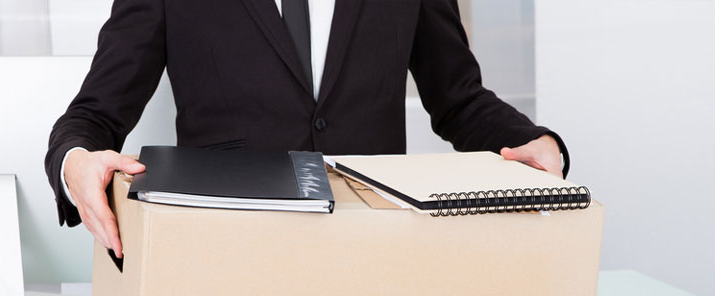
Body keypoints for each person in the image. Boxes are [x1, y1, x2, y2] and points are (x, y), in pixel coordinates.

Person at [45, 0, 569, 259]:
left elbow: (458, 98)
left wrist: (532, 140)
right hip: (228, 268)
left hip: (379, 263)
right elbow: (93, 116)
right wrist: (76, 162)